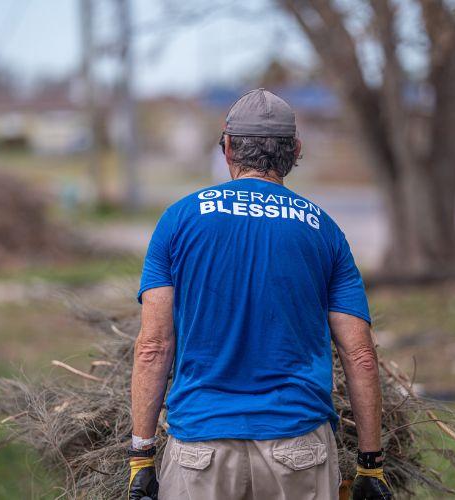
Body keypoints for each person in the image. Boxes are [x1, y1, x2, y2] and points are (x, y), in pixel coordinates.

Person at [128, 89, 392, 500]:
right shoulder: (325, 231)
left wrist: (141, 455)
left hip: (201, 449)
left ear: (228, 147)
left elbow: (153, 346)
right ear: (295, 150)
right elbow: (360, 355)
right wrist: (370, 465)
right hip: (299, 448)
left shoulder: (178, 221)